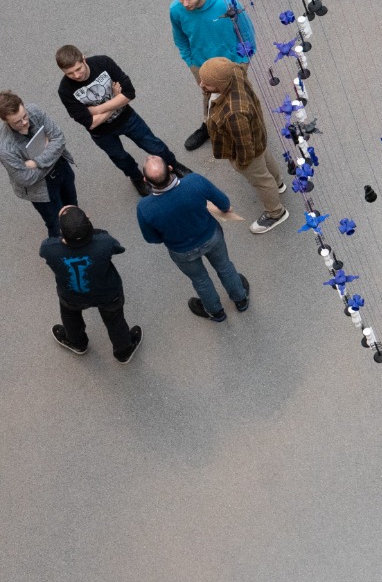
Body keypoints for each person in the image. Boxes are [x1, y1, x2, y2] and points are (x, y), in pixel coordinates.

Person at [135, 155, 251, 322]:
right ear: (169, 169)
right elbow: (224, 203)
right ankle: (240, 299)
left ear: (145, 180)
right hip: (211, 237)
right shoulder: (194, 182)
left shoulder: (144, 208)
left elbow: (152, 238)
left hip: (182, 251)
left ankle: (216, 312)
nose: (148, 155)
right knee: (225, 267)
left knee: (200, 280)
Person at [55, 45, 181, 197]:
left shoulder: (103, 63)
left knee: (154, 144)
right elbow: (90, 123)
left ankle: (173, 164)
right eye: (69, 73)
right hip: (101, 133)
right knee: (120, 159)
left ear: (83, 58)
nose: (76, 75)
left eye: (78, 69)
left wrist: (95, 110)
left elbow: (129, 93)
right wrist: (115, 100)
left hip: (127, 118)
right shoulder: (65, 90)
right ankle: (137, 178)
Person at [197, 58, 288, 233]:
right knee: (264, 158)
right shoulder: (234, 71)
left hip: (246, 150)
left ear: (220, 84)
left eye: (207, 84)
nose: (201, 85)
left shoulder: (234, 112)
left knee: (260, 179)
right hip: (257, 135)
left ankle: (275, 213)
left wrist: (241, 164)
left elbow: (245, 147)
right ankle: (277, 184)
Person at [40, 205, 140, 362]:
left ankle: (77, 343)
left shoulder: (49, 248)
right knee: (115, 321)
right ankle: (123, 350)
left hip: (71, 294)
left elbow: (48, 248)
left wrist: (64, 220)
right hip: (107, 293)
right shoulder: (105, 242)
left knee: (70, 317)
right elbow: (118, 248)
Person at [170, 0, 255, 151]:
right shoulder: (176, 10)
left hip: (232, 64)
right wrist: (191, 62)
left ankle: (249, 128)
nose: (185, 4)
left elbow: (246, 32)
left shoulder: (226, 3)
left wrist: (242, 62)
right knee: (209, 97)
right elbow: (180, 39)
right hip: (201, 65)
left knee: (238, 97)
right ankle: (208, 127)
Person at [0, 91, 78, 237]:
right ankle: (61, 252)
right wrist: (51, 151)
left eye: (24, 116)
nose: (24, 122)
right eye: (17, 122)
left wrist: (36, 162)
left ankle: (78, 233)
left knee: (73, 207)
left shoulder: (34, 111)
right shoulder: (5, 148)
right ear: (5, 120)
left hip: (62, 170)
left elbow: (59, 138)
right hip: (42, 189)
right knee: (56, 223)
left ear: (23, 106)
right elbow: (26, 178)